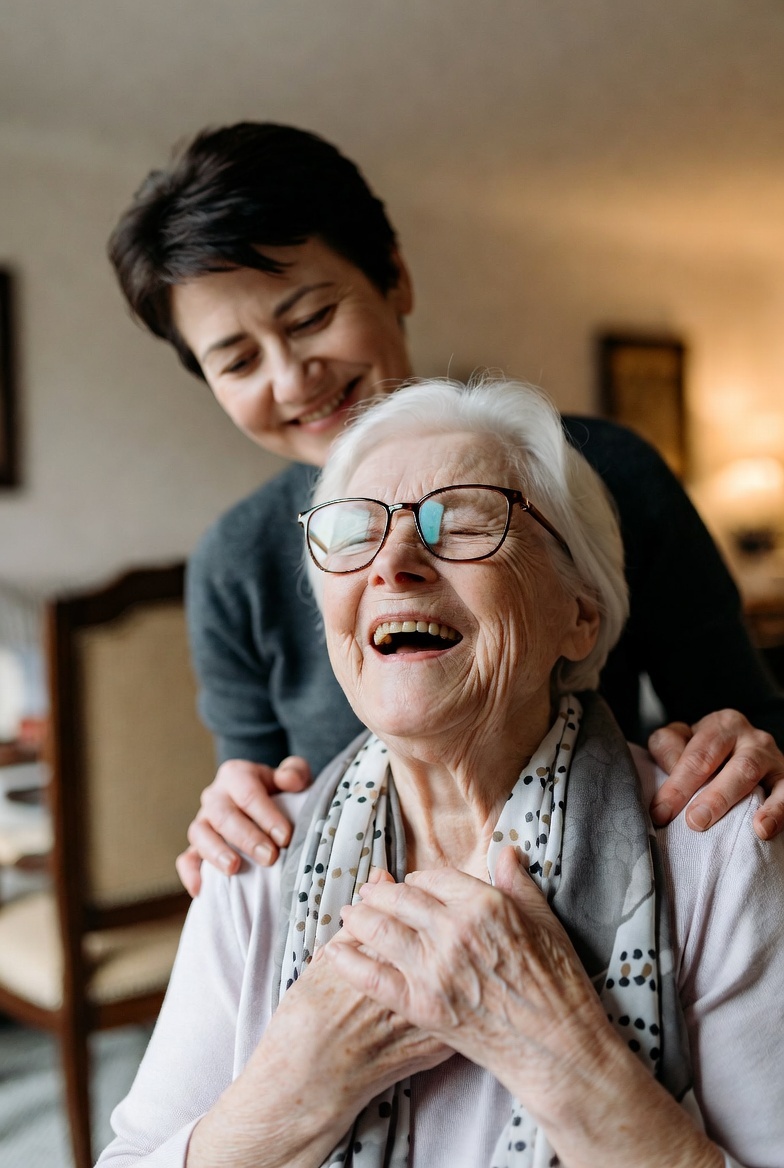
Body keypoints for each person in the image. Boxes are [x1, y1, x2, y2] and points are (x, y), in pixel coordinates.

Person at [97, 380, 784, 1167]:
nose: (393, 564)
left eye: (460, 524)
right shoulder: (256, 855)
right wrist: (295, 1088)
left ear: (580, 615)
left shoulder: (715, 852)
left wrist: (558, 1051)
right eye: (353, 535)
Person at [107, 123, 784, 896]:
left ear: (395, 278)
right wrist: (235, 810)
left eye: (309, 319)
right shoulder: (235, 559)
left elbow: (745, 721)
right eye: (238, 359)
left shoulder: (614, 474)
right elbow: (260, 795)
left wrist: (745, 745)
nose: (293, 380)